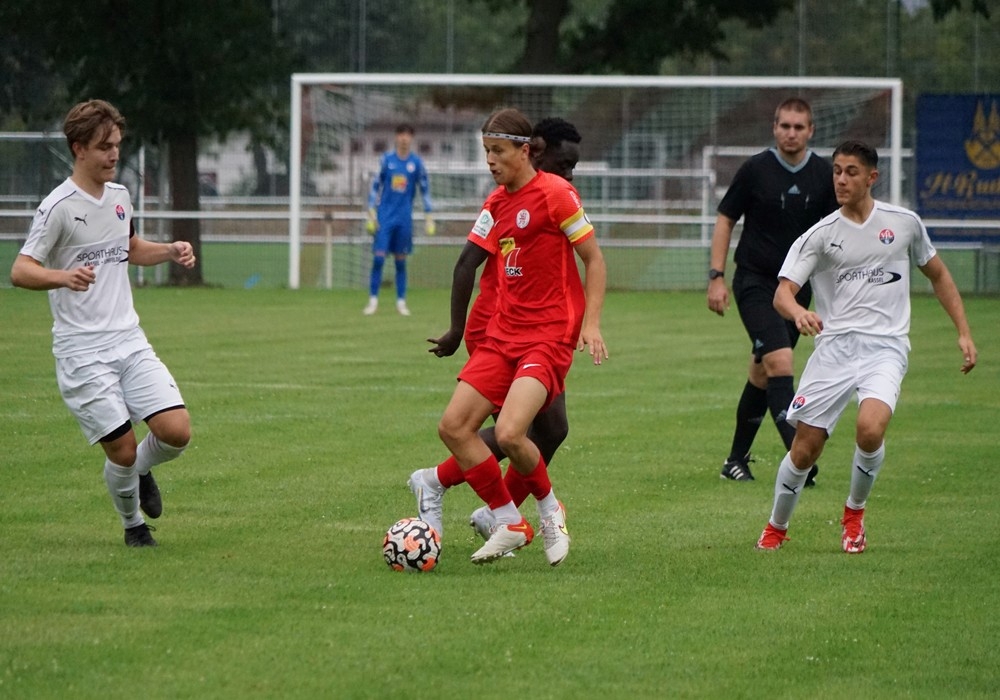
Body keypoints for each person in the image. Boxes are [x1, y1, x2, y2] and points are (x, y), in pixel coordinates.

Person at [755, 140, 977, 553]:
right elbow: (783, 293)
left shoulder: (904, 224)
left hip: (885, 348)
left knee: (870, 428)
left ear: (872, 177)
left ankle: (854, 514)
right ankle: (776, 527)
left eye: (851, 172)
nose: (841, 179)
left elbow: (939, 275)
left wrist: (963, 331)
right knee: (804, 450)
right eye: (837, 171)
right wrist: (798, 313)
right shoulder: (820, 236)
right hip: (834, 350)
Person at [410, 108, 607, 567]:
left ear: (524, 150)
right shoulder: (495, 204)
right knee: (453, 427)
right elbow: (466, 262)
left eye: (497, 151)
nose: (490, 161)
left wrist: (591, 323)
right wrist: (459, 329)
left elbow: (594, 260)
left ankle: (547, 513)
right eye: (486, 152)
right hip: (499, 334)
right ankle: (505, 517)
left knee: (515, 431)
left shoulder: (558, 194)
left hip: (547, 337)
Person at [10, 99, 196, 548]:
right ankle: (134, 526)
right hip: (82, 351)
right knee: (123, 449)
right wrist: (63, 276)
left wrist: (169, 250)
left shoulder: (120, 197)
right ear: (78, 149)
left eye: (116, 145)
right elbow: (20, 270)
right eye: (103, 146)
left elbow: (129, 248)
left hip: (129, 339)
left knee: (176, 433)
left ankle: (142, 471)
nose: (114, 154)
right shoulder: (58, 207)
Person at [707, 97, 838, 484]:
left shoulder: (823, 174)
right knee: (780, 362)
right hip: (755, 282)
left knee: (762, 373)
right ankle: (801, 464)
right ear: (774, 128)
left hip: (798, 289)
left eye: (799, 127)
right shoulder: (755, 169)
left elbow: (838, 230)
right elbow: (725, 218)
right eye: (785, 126)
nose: (791, 133)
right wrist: (716, 276)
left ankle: (735, 461)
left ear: (811, 131)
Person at [363, 123, 434, 316]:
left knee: (400, 261)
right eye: (401, 134)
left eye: (408, 134)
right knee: (378, 258)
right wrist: (371, 211)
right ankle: (373, 301)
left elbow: (425, 189)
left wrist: (429, 216)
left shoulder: (416, 163)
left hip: (404, 220)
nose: (404, 138)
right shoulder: (386, 160)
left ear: (411, 138)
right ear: (396, 137)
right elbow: (375, 186)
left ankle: (401, 302)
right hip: (384, 218)